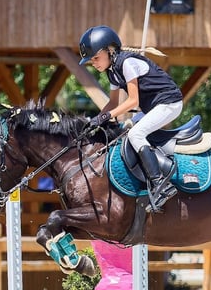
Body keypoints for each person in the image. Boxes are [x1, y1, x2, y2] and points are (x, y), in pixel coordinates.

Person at [78, 25, 183, 212]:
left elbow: (133, 101)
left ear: (110, 51)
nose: (93, 63)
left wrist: (107, 116)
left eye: (95, 58)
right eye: (90, 60)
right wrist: (94, 120)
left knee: (135, 135)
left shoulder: (127, 63)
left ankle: (161, 185)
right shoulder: (112, 71)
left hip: (169, 103)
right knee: (125, 131)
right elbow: (112, 103)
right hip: (153, 107)